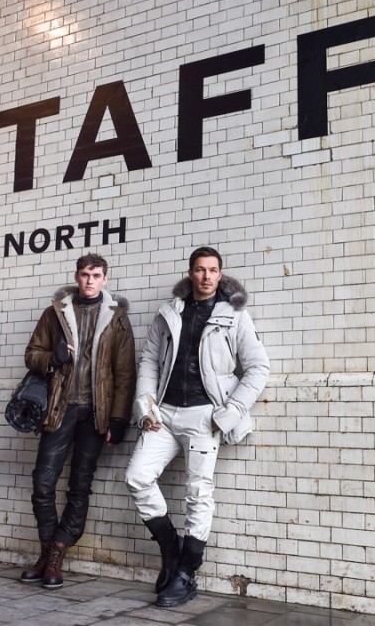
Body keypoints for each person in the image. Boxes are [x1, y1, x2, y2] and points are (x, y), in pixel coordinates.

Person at [124, 246, 269, 607]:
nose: (206, 276)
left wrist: (231, 411)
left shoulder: (235, 315)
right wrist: (145, 405)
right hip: (164, 414)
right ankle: (171, 551)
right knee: (137, 477)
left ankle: (187, 574)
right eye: (200, 270)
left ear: (221, 274)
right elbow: (148, 361)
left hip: (205, 416)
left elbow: (257, 368)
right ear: (190, 273)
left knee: (198, 494)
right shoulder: (169, 312)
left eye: (213, 270)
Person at [20, 253, 136, 589]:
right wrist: (51, 358)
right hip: (60, 408)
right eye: (85, 274)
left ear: (105, 279)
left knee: (79, 486)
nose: (89, 280)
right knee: (43, 481)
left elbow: (125, 372)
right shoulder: (55, 313)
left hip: (95, 414)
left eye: (96, 275)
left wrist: (119, 417)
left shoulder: (117, 319)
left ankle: (57, 552)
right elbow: (31, 353)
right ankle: (46, 548)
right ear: (77, 276)